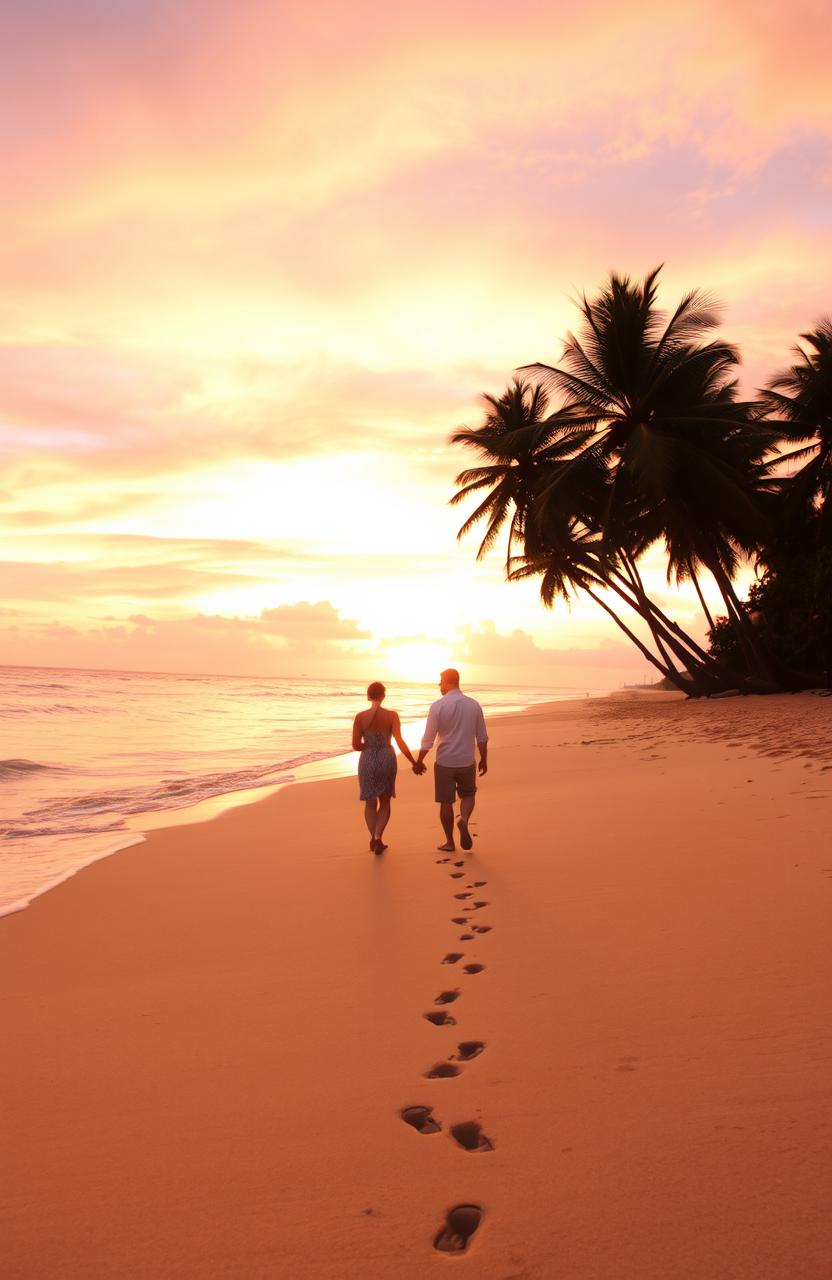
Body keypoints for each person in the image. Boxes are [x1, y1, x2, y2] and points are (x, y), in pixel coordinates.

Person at [414, 669, 488, 853]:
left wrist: (419, 760)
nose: (439, 686)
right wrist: (484, 759)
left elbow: (428, 739)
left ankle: (449, 842)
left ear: (448, 682)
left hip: (445, 761)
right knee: (469, 795)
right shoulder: (473, 705)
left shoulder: (438, 706)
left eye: (441, 682)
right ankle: (463, 819)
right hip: (466, 760)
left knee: (446, 802)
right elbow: (482, 737)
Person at [352, 681, 419, 854]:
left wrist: (368, 746)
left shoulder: (360, 717)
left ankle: (373, 838)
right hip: (386, 758)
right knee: (385, 800)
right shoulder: (392, 716)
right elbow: (399, 740)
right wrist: (413, 761)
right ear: (383, 695)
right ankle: (378, 837)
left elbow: (355, 745)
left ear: (368, 696)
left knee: (369, 802)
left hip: (367, 758)